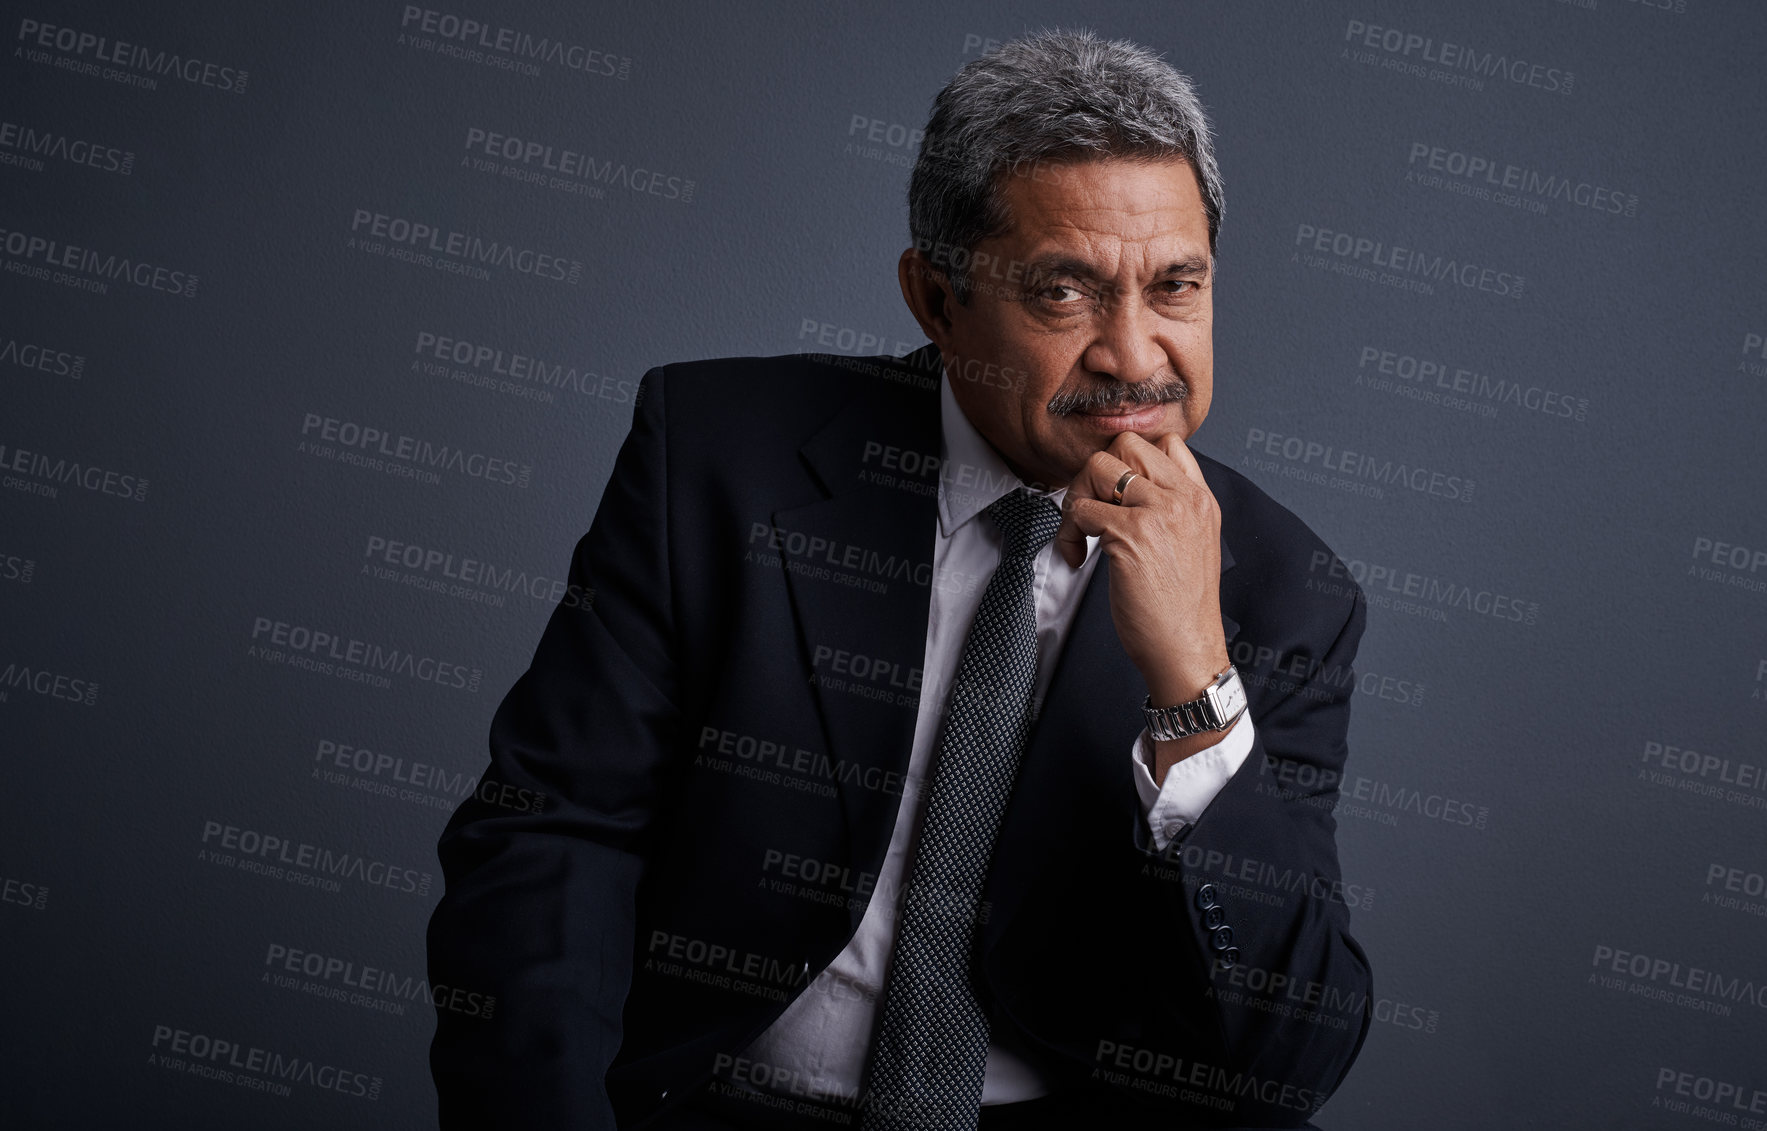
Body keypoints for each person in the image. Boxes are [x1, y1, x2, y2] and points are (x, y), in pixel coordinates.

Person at [428, 29, 1371, 1131]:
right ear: (935, 299)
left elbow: (1289, 1056)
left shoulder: (1287, 591)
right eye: (1064, 293)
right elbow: (554, 838)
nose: (1132, 355)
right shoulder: (720, 461)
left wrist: (1193, 680)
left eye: (1175, 288)